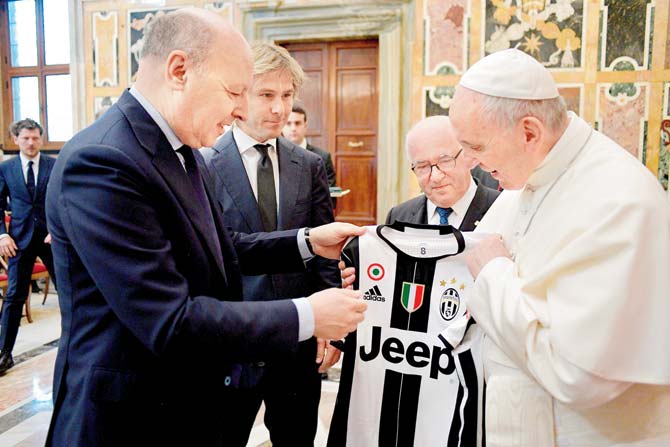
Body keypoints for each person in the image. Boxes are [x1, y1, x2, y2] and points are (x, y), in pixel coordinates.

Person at [44, 9, 367, 446]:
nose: (239, 110)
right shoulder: (105, 162)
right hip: (129, 417)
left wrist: (305, 242)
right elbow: (169, 321)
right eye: (235, 91)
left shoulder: (184, 150)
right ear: (179, 70)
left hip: (185, 404)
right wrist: (309, 314)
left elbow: (221, 247)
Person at [448, 48, 670, 445]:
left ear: (529, 132)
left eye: (476, 147)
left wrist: (494, 275)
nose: (469, 162)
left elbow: (579, 375)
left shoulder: (617, 200)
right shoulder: (527, 180)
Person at [201, 42, 339, 446]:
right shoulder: (204, 164)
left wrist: (329, 330)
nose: (280, 109)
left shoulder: (309, 164)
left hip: (298, 342)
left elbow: (325, 252)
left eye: (287, 96)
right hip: (231, 342)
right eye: (266, 95)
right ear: (239, 96)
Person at [0, 118, 57, 374]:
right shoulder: (6, 168)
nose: (31, 143)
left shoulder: (54, 165)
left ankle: (73, 344)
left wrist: (59, 230)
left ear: (41, 139)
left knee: (68, 292)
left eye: (35, 137)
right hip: (19, 241)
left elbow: (63, 199)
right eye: (25, 138)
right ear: (16, 140)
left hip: (51, 238)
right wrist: (2, 236)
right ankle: (4, 353)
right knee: (13, 296)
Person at [385, 115, 499, 230]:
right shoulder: (398, 217)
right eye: (423, 166)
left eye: (445, 161)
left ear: (469, 156)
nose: (435, 177)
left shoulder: (503, 208)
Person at [283, 104, 336, 187]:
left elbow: (329, 195)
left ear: (305, 126)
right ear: (282, 127)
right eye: (288, 123)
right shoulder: (274, 155)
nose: (293, 128)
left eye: (297, 123)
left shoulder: (322, 157)